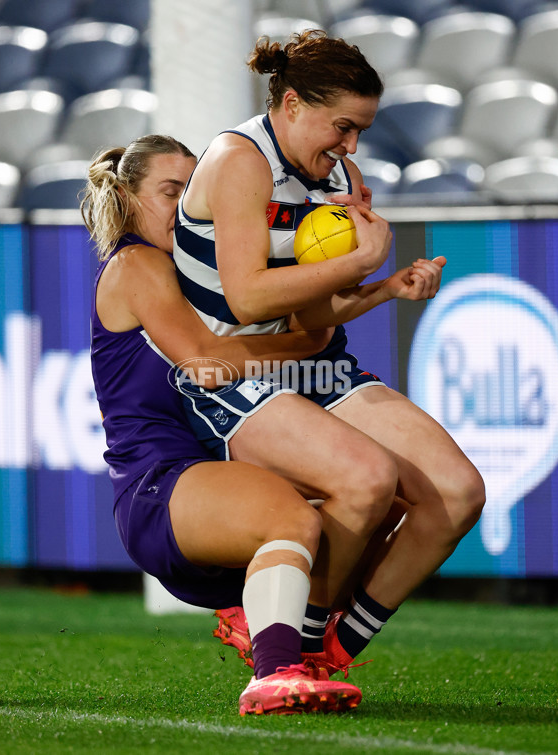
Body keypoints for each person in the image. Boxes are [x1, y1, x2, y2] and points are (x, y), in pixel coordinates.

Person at [172, 30, 486, 675]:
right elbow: (247, 299)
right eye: (342, 127)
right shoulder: (239, 160)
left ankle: (328, 648)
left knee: (457, 493)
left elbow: (315, 316)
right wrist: (370, 254)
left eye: (359, 132)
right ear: (290, 105)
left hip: (314, 364)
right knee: (368, 478)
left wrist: (383, 287)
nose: (350, 146)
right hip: (234, 371)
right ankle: (294, 636)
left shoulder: (339, 174)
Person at [82, 134, 366, 716]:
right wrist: (308, 338)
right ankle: (276, 673)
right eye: (169, 191)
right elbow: (203, 361)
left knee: (372, 499)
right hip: (160, 488)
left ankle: (272, 625)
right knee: (289, 513)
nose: (185, 204)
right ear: (127, 198)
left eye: (193, 191)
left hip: (215, 480)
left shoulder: (205, 279)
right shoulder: (137, 263)